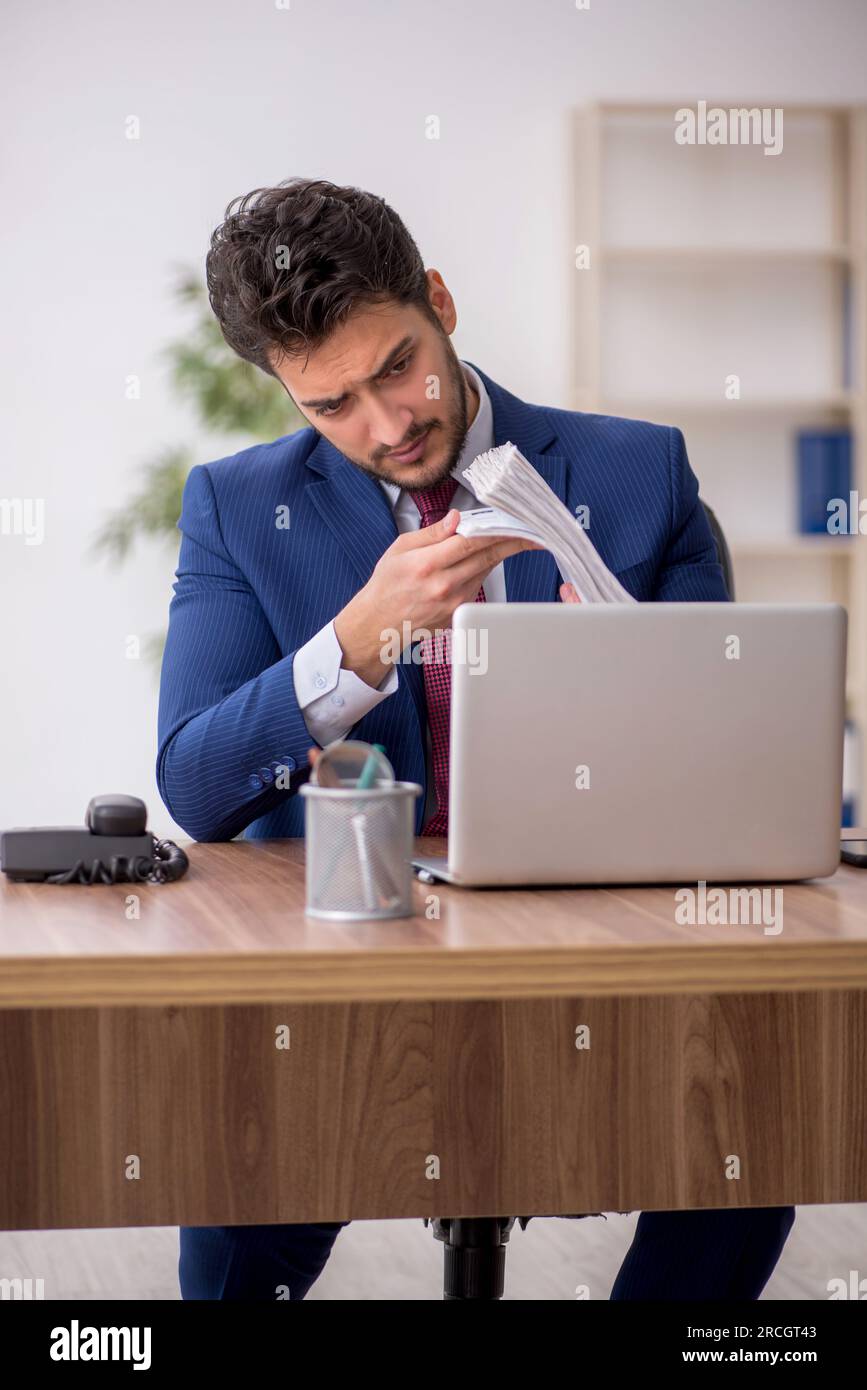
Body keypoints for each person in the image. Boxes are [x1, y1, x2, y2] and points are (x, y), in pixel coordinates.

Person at [158, 177, 795, 1299]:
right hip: (347, 983)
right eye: (332, 404)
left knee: (752, 1138)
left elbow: (733, 761)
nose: (387, 424)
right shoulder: (236, 504)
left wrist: (622, 667)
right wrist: (354, 643)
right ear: (285, 394)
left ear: (439, 303)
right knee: (238, 1201)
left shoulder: (635, 472)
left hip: (600, 957)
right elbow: (196, 784)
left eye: (397, 365)